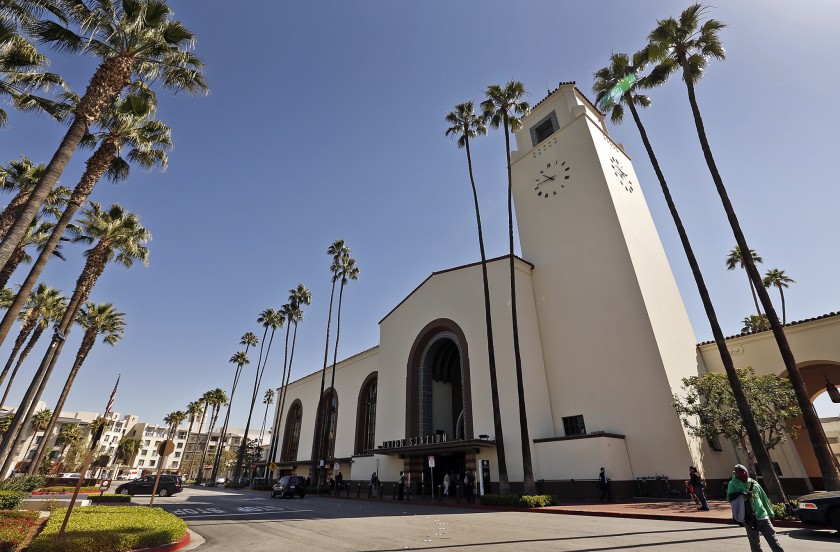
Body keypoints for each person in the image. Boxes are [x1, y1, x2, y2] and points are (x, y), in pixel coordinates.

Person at [727, 464, 785, 551]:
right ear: (736, 474)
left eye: (742, 473)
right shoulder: (732, 484)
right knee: (755, 544)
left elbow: (763, 498)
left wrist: (770, 513)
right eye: (738, 474)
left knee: (773, 541)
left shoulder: (754, 483)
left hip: (763, 516)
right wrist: (742, 494)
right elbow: (729, 497)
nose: (741, 475)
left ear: (746, 472)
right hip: (749, 519)